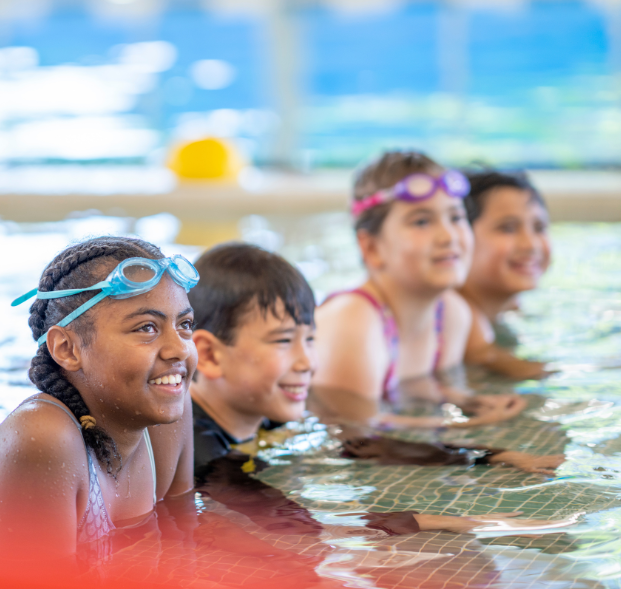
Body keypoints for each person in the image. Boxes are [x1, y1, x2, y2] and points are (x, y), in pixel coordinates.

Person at [188, 242, 565, 541]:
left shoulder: (266, 412)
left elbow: (359, 445)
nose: (308, 362)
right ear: (208, 354)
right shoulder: (195, 448)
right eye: (284, 341)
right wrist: (445, 521)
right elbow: (299, 525)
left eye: (311, 339)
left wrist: (491, 457)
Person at [0, 237, 197, 570]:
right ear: (67, 349)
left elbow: (185, 541)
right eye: (146, 328)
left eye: (184, 325)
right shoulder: (42, 441)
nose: (178, 349)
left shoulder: (166, 410)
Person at [311, 151, 527, 429]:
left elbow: (415, 391)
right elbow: (355, 433)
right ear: (371, 247)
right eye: (422, 221)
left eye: (456, 217)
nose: (448, 236)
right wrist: (470, 430)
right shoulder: (354, 322)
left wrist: (467, 402)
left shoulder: (451, 315)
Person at [459, 169, 552, 380]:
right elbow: (527, 372)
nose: (530, 244)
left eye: (539, 227)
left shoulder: (513, 308)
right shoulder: (455, 312)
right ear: (461, 238)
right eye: (508, 228)